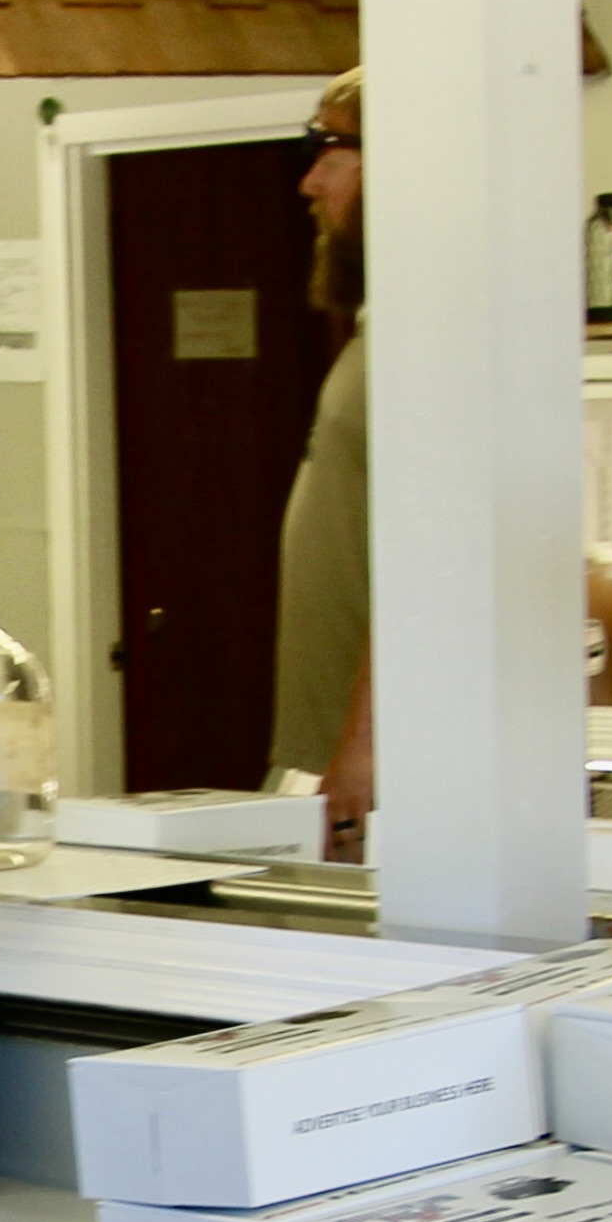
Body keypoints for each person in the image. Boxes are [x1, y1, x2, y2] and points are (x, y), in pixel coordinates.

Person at [264, 71, 375, 847]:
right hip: (326, 754)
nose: (309, 182)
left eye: (326, 148)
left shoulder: (427, 341)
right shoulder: (377, 337)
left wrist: (365, 749)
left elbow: (428, 569)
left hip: (370, 775)